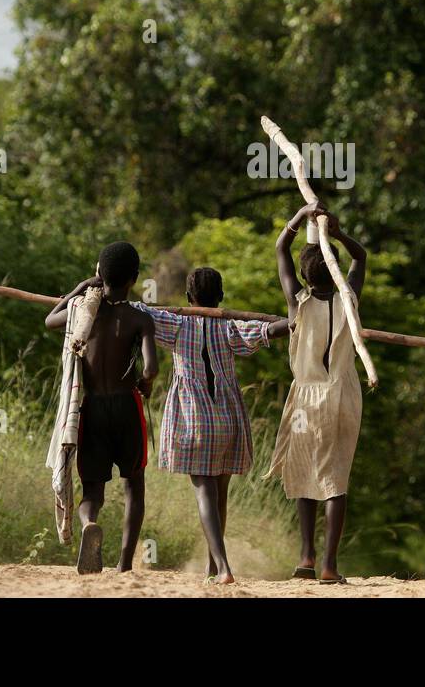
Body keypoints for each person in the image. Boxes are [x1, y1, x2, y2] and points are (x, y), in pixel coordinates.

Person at [128, 267, 289, 584]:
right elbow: (270, 331)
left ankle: (224, 567)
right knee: (220, 494)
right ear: (221, 298)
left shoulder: (175, 323)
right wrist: (300, 317)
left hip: (195, 419)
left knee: (204, 492)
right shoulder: (230, 326)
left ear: (189, 299)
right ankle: (214, 568)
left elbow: (137, 310)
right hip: (228, 419)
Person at [267, 202, 367, 584]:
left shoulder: (297, 303)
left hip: (306, 399)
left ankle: (306, 556)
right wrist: (337, 232)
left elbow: (280, 250)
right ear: (337, 272)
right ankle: (329, 565)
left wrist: (297, 217)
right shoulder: (349, 300)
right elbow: (361, 257)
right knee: (335, 479)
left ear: (306, 277)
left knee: (305, 473)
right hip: (343, 395)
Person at [45, 241, 158, 574]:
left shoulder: (82, 311)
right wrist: (146, 382)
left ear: (99, 274)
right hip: (126, 407)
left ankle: (88, 524)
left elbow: (50, 320)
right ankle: (125, 563)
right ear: (134, 279)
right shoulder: (140, 318)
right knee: (134, 483)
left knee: (93, 486)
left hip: (91, 408)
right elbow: (150, 367)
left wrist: (81, 286)